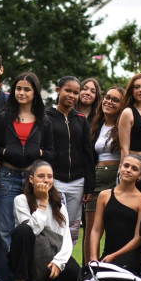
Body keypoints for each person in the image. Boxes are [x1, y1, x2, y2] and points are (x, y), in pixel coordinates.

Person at [0, 72, 54, 281]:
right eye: (18, 88)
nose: (22, 93)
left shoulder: (44, 121)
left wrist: (38, 152)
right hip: (7, 178)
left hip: (32, 181)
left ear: (35, 93)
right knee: (4, 231)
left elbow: (52, 152)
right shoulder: (3, 118)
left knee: (30, 229)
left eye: (27, 89)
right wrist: (8, 151)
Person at [8, 160, 81, 281]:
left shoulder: (59, 206)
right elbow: (31, 231)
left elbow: (66, 238)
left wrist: (58, 262)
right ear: (31, 179)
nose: (46, 180)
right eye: (41, 176)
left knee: (75, 273)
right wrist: (43, 202)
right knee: (23, 230)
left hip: (51, 254)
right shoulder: (20, 200)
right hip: (29, 254)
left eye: (50, 176)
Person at [46, 76, 95, 246]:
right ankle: (51, 259)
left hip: (77, 182)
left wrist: (89, 184)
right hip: (55, 180)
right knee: (55, 222)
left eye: (76, 92)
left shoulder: (81, 120)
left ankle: (67, 263)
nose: (72, 95)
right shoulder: (46, 117)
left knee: (73, 225)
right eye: (68, 90)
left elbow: (88, 153)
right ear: (58, 90)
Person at [88, 154, 141, 274]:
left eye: (134, 169)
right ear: (120, 167)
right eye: (126, 166)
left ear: (140, 176)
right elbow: (96, 230)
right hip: (108, 253)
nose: (128, 170)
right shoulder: (104, 195)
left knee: (115, 274)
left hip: (132, 254)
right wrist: (93, 258)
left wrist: (114, 256)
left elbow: (138, 238)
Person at [84, 86, 125, 263]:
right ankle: (89, 269)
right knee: (92, 229)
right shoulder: (95, 125)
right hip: (98, 176)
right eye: (107, 97)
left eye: (115, 100)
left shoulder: (125, 123)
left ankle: (114, 267)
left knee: (117, 228)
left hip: (119, 175)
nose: (109, 101)